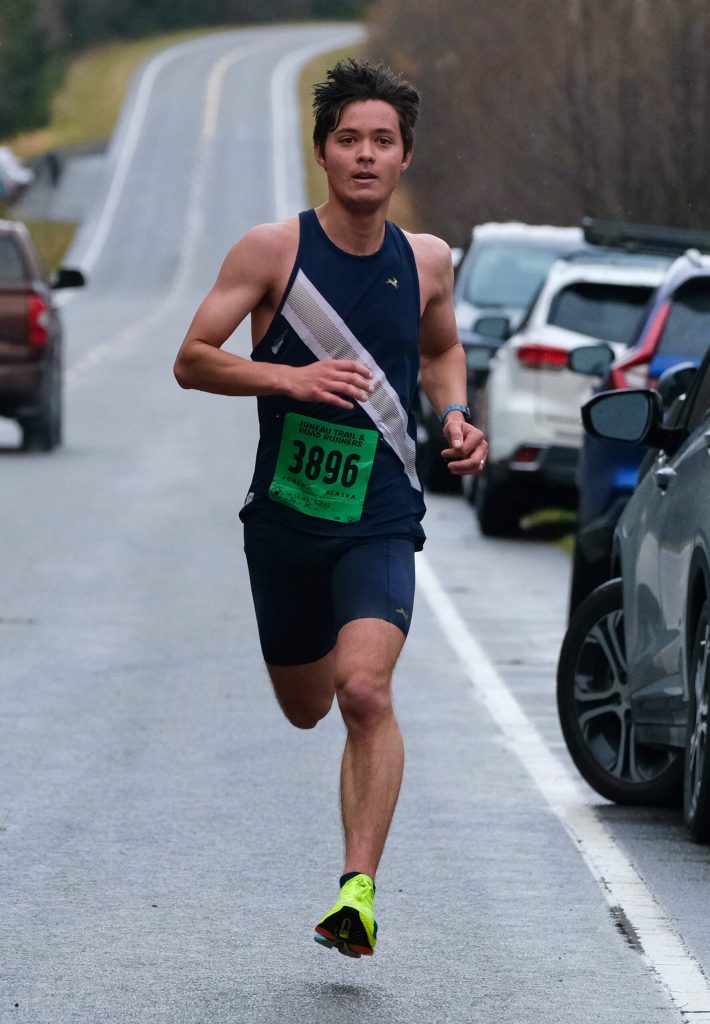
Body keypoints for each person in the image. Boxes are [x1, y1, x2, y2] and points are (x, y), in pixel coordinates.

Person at [173, 57, 488, 958]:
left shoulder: (426, 260)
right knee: (308, 705)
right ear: (322, 152)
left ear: (404, 159)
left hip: (382, 509)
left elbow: (441, 354)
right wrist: (287, 375)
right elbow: (193, 357)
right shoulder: (272, 252)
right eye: (348, 138)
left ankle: (357, 892)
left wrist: (458, 415)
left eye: (381, 141)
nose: (364, 155)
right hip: (285, 518)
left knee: (363, 690)